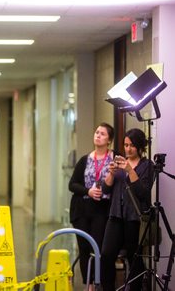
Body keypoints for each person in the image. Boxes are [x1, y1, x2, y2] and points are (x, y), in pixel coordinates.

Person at [101, 128, 154, 291]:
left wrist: (129, 170)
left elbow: (143, 192)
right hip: (115, 215)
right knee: (106, 255)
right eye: (125, 145)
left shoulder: (147, 166)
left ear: (139, 146)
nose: (127, 149)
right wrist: (111, 173)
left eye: (131, 145)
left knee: (134, 258)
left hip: (134, 218)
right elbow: (105, 190)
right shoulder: (119, 162)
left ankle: (135, 288)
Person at [69, 123, 115, 288]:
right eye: (96, 132)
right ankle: (88, 285)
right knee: (83, 248)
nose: (98, 135)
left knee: (97, 248)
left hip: (102, 210)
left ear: (109, 140)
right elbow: (72, 185)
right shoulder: (85, 159)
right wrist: (87, 191)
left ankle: (98, 282)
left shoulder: (114, 159)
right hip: (82, 209)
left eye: (102, 134)